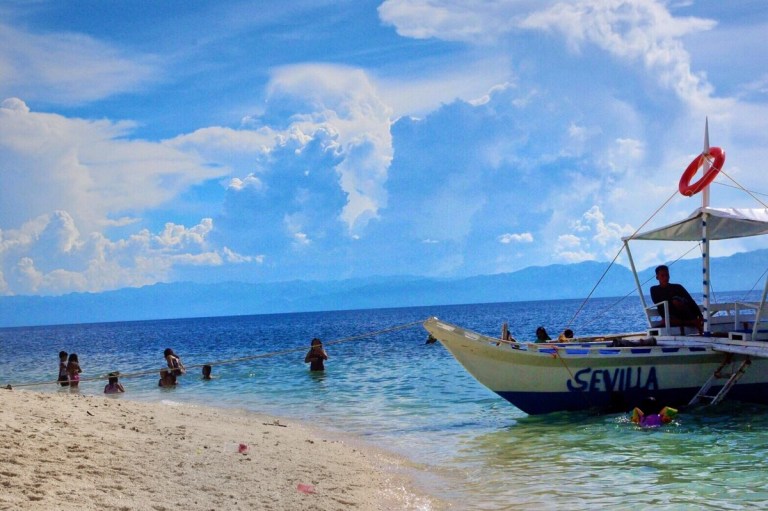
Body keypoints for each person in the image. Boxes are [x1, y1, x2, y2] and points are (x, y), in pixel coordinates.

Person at [650, 264, 704, 334]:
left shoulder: (677, 287)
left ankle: (693, 322)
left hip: (682, 313)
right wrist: (673, 302)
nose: (665, 277)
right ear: (657, 277)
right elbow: (657, 302)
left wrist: (700, 315)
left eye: (667, 275)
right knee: (669, 317)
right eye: (662, 276)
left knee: (678, 301)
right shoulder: (654, 289)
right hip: (668, 315)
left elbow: (690, 300)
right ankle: (693, 322)